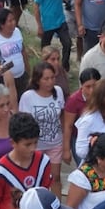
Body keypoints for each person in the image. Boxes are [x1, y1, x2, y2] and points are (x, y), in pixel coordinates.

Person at [19, 62, 65, 197]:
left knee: (55, 177)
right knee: (35, 178)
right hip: (36, 145)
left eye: (52, 78)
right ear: (37, 80)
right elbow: (24, 121)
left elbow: (61, 114)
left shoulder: (58, 91)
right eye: (46, 79)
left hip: (55, 142)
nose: (50, 82)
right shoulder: (28, 96)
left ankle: (56, 206)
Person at [35, 0, 72, 71]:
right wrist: (39, 26)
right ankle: (45, 69)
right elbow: (36, 6)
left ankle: (64, 68)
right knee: (45, 49)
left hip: (60, 20)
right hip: (47, 23)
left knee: (67, 43)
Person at [62, 67, 101, 167]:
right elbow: (68, 126)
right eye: (88, 87)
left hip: (100, 137)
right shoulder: (74, 101)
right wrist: (66, 150)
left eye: (95, 86)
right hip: (80, 139)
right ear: (81, 86)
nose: (92, 90)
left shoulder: (103, 97)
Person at [0, 8, 29, 94]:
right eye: (10, 21)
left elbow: (22, 50)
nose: (14, 22)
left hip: (22, 76)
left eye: (14, 19)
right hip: (6, 80)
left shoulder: (17, 32)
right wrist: (10, 66)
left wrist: (27, 68)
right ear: (2, 25)